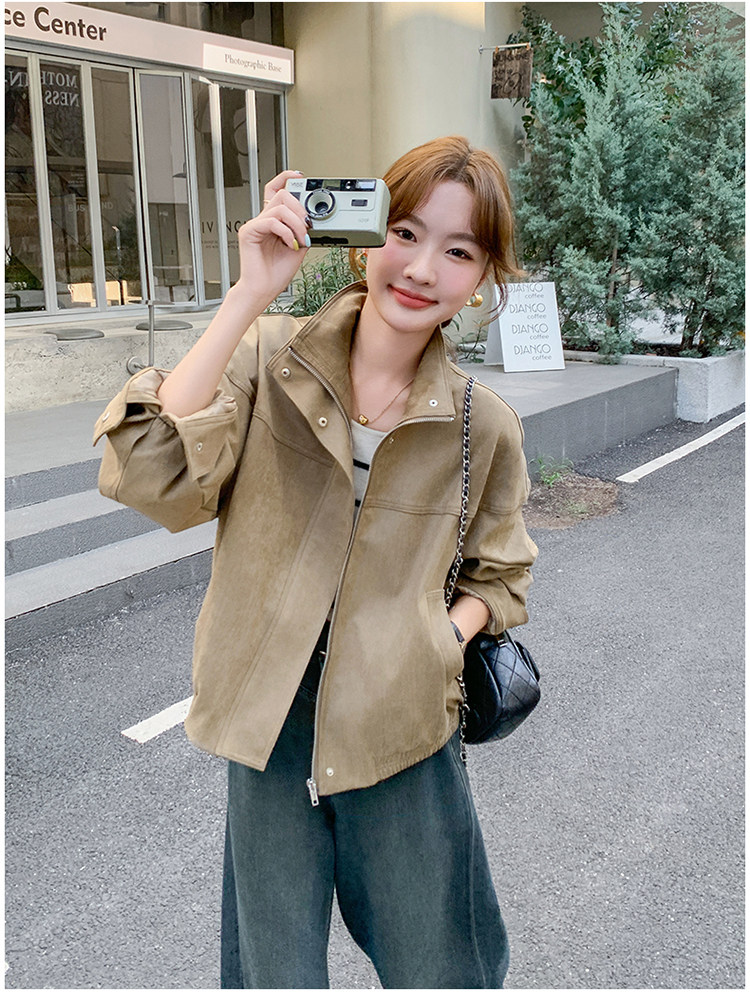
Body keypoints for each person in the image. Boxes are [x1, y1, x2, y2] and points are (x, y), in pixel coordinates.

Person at [94, 135, 538, 990]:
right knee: (276, 972)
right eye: (405, 233)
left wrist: (434, 641)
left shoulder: (482, 425)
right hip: (269, 717)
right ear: (366, 239)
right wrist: (249, 293)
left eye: (458, 251)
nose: (421, 269)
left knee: (441, 965)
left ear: (483, 277)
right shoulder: (269, 360)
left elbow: (500, 573)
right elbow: (149, 469)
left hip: (402, 721)